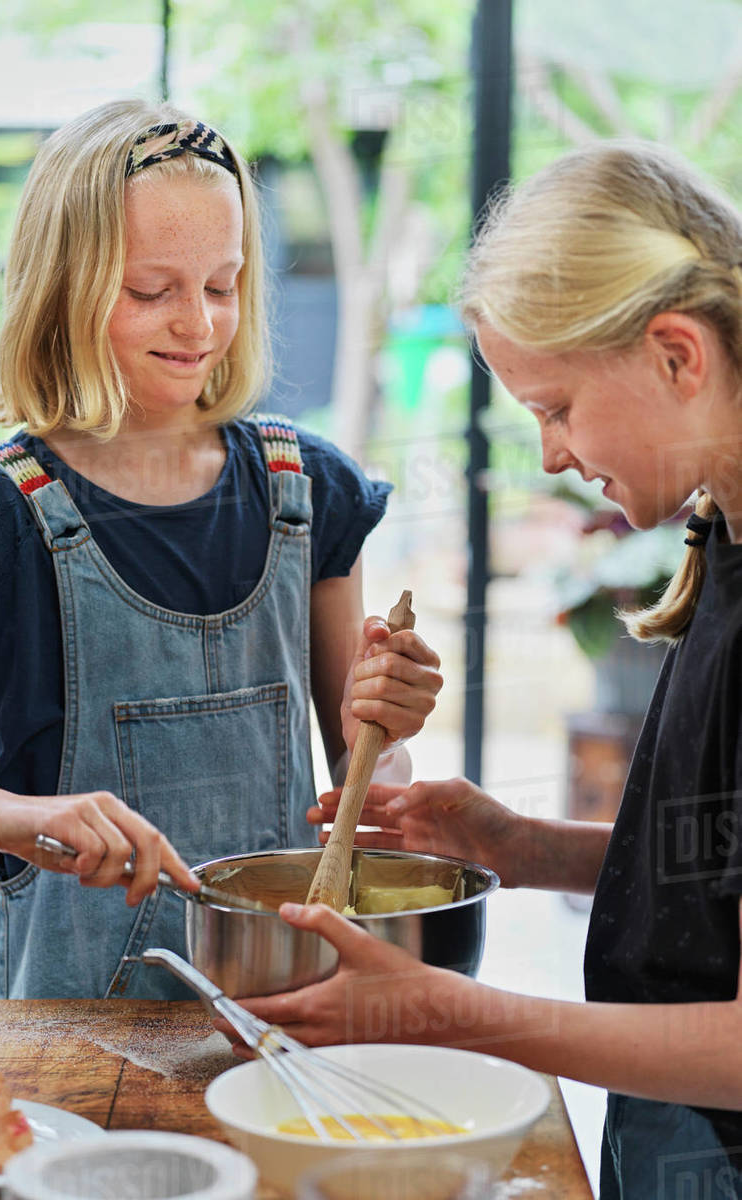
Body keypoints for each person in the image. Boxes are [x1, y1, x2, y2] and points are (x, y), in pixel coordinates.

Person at [219, 141, 742, 1197]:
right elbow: (713, 870)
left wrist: (438, 1010)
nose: (551, 453)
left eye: (556, 407)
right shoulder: (724, 541)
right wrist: (518, 844)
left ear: (676, 355)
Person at [0, 99, 442, 1001]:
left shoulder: (305, 488)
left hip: (280, 1013)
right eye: (151, 291)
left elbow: (361, 801)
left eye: (223, 285)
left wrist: (386, 734)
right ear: (62, 291)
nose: (198, 326)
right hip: (67, 1038)